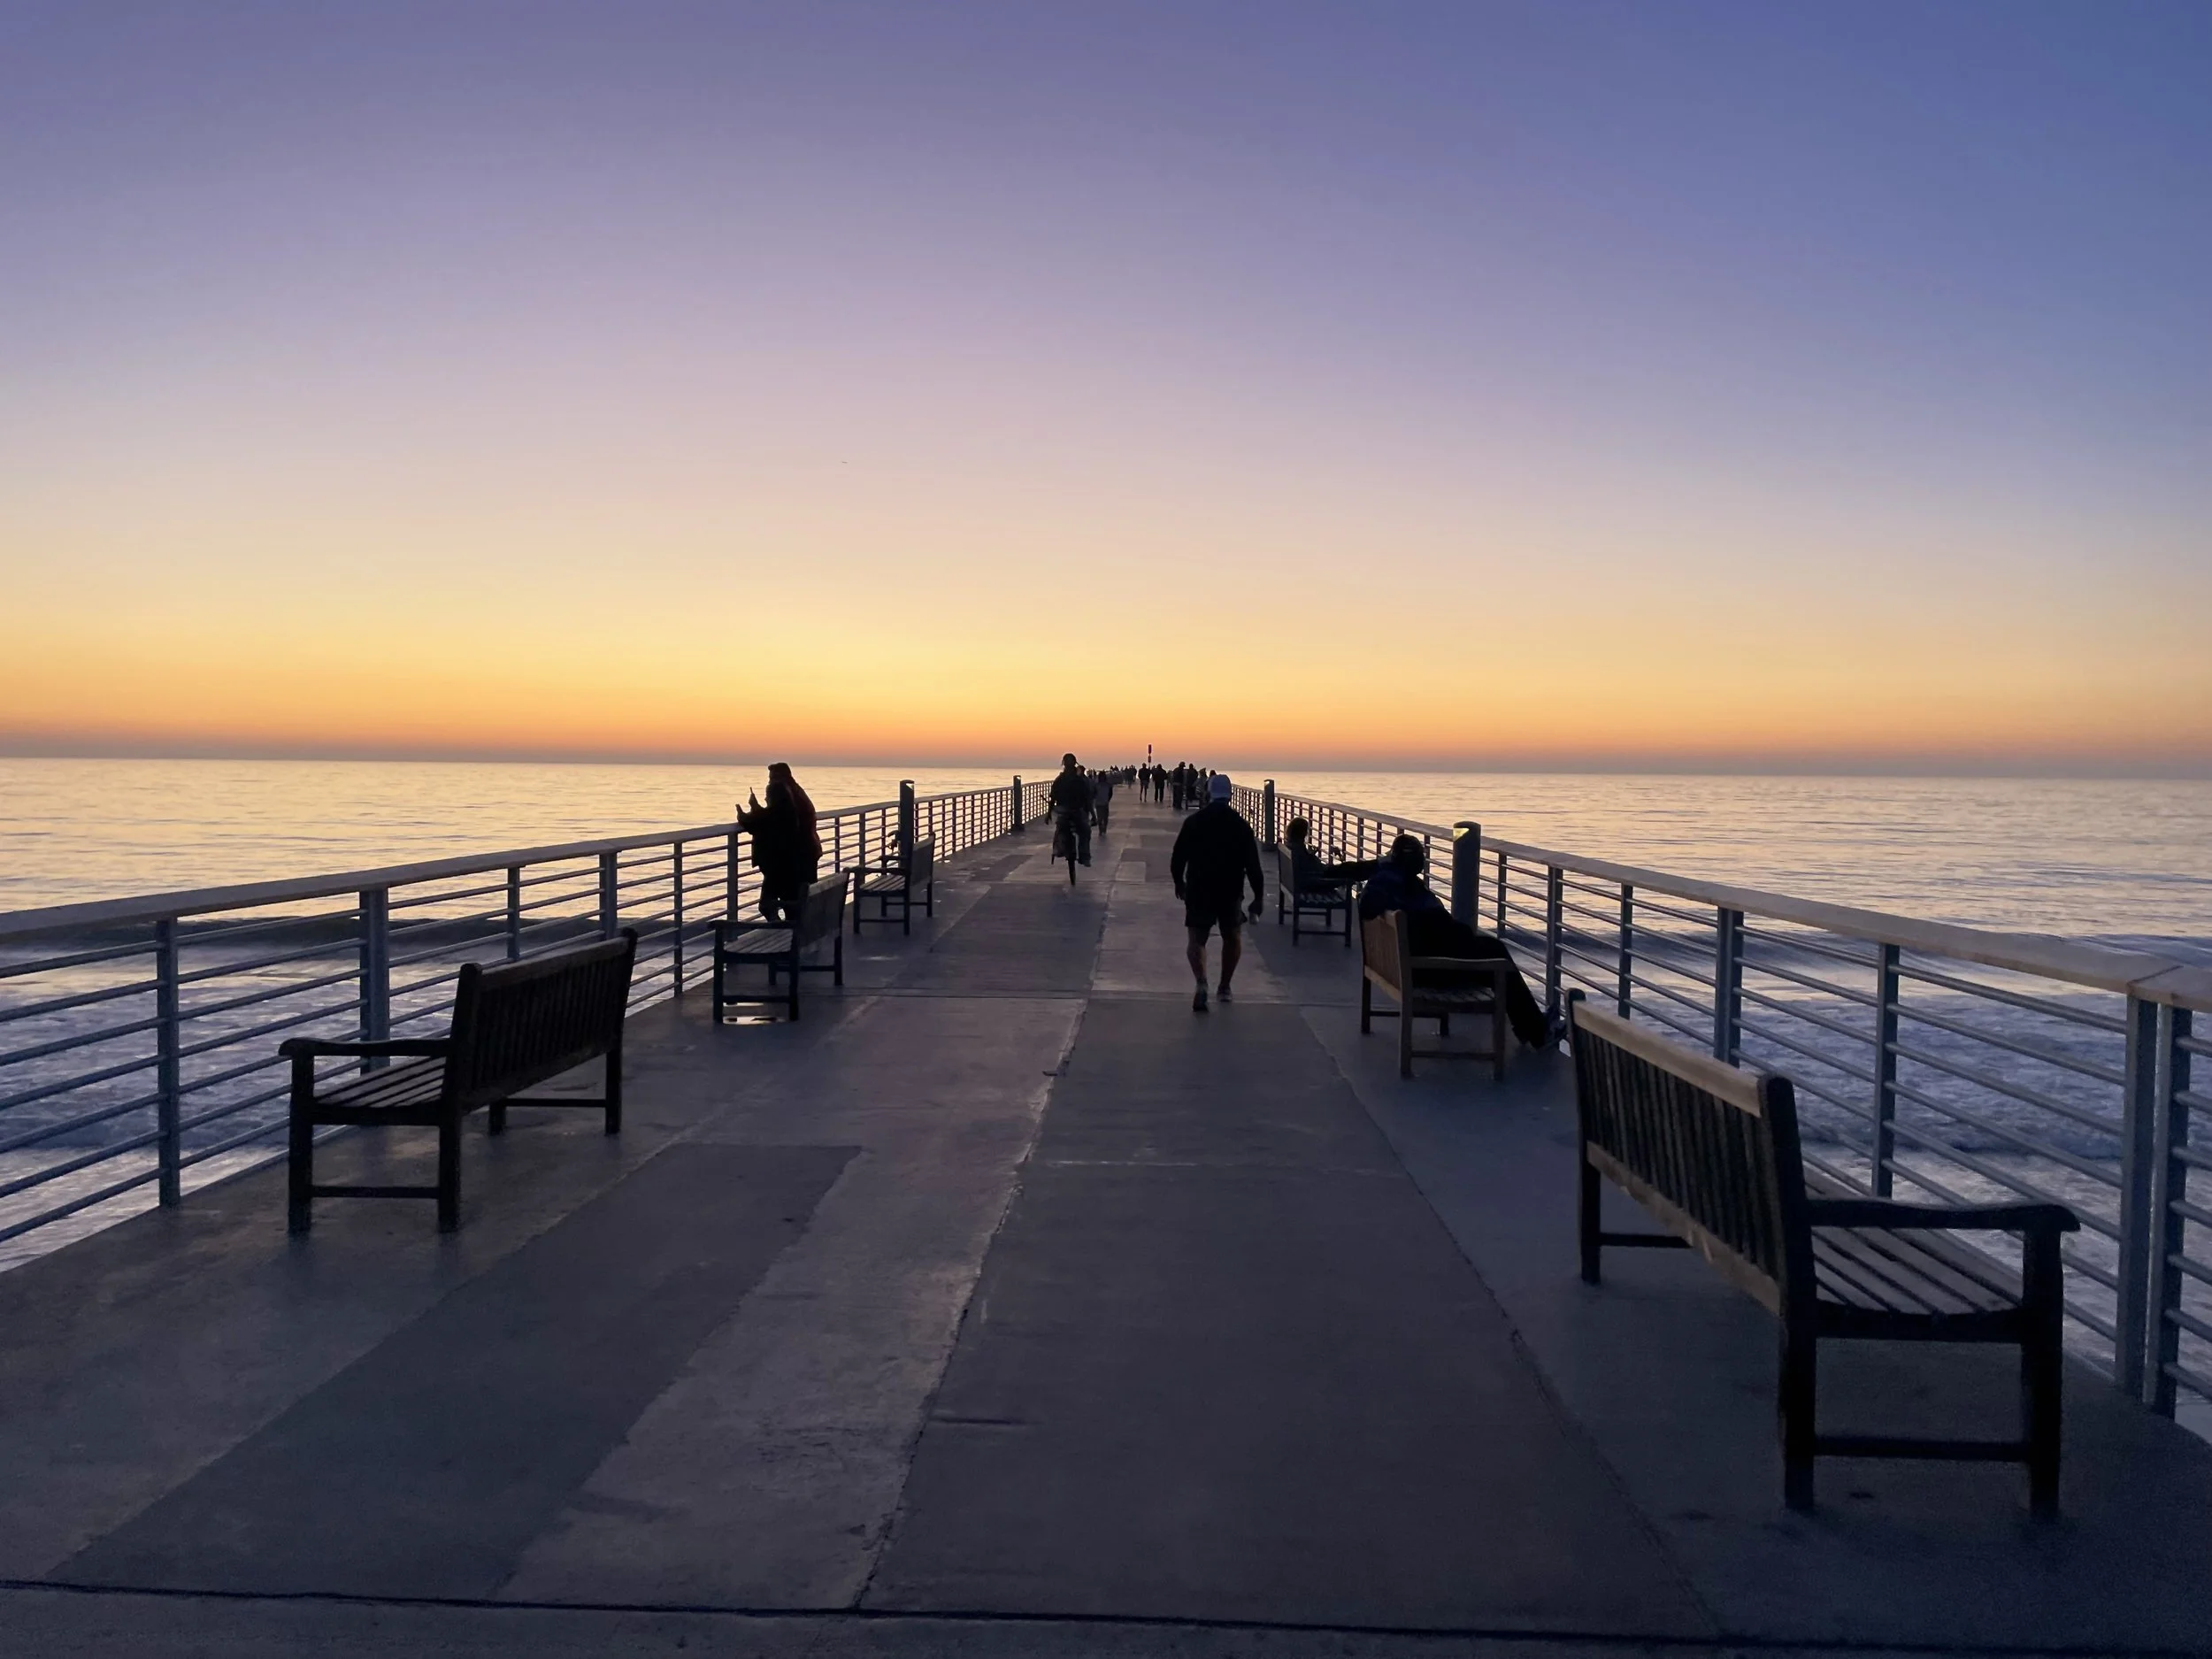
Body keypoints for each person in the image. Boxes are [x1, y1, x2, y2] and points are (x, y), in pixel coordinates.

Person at [1359, 833, 1554, 1047]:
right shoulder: (1402, 886)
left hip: (1410, 964)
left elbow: (1368, 904)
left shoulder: (1390, 882)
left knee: (1491, 948)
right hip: (1428, 971)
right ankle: (1536, 1032)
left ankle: (1530, 1027)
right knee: (1497, 957)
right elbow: (1371, 906)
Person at [1171, 772, 1264, 1013]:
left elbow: (1178, 857)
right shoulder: (1241, 825)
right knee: (1232, 937)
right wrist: (1258, 897)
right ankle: (1224, 987)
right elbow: (1253, 866)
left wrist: (1179, 883)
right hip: (1230, 889)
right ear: (1231, 796)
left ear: (1209, 793)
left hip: (1199, 887)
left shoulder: (1194, 822)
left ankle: (1201, 982)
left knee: (1196, 940)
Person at [737, 762, 822, 923]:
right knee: (797, 904)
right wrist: (757, 809)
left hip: (786, 861)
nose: (769, 782)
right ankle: (794, 935)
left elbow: (773, 822)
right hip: (805, 856)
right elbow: (778, 816)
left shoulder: (779, 789)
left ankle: (783, 935)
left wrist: (745, 817)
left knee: (771, 904)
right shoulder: (797, 792)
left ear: (779, 778)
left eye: (772, 778)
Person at [1285, 817, 1376, 890]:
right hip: (1323, 876)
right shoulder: (1297, 848)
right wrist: (1340, 881)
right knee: (1352, 869)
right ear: (1303, 832)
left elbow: (1304, 865)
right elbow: (1310, 870)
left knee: (1351, 867)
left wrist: (1311, 855)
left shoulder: (1292, 845)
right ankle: (1379, 866)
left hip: (1321, 873)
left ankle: (1378, 866)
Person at [1048, 752, 1094, 865]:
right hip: (1077, 810)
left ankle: (1058, 850)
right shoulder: (1081, 780)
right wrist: (1093, 814)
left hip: (1065, 810)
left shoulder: (1059, 779)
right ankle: (1085, 857)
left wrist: (1049, 813)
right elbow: (1087, 798)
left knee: (1060, 829)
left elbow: (1053, 797)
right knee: (1085, 831)